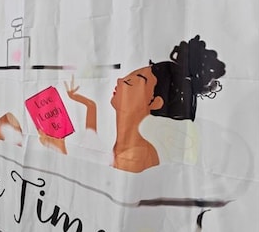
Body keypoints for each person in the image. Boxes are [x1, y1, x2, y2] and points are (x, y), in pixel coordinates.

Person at [43, 35, 226, 173]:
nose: (120, 79)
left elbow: (97, 198)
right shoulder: (125, 148)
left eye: (130, 82)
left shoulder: (136, 157)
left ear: (155, 102)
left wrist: (58, 149)